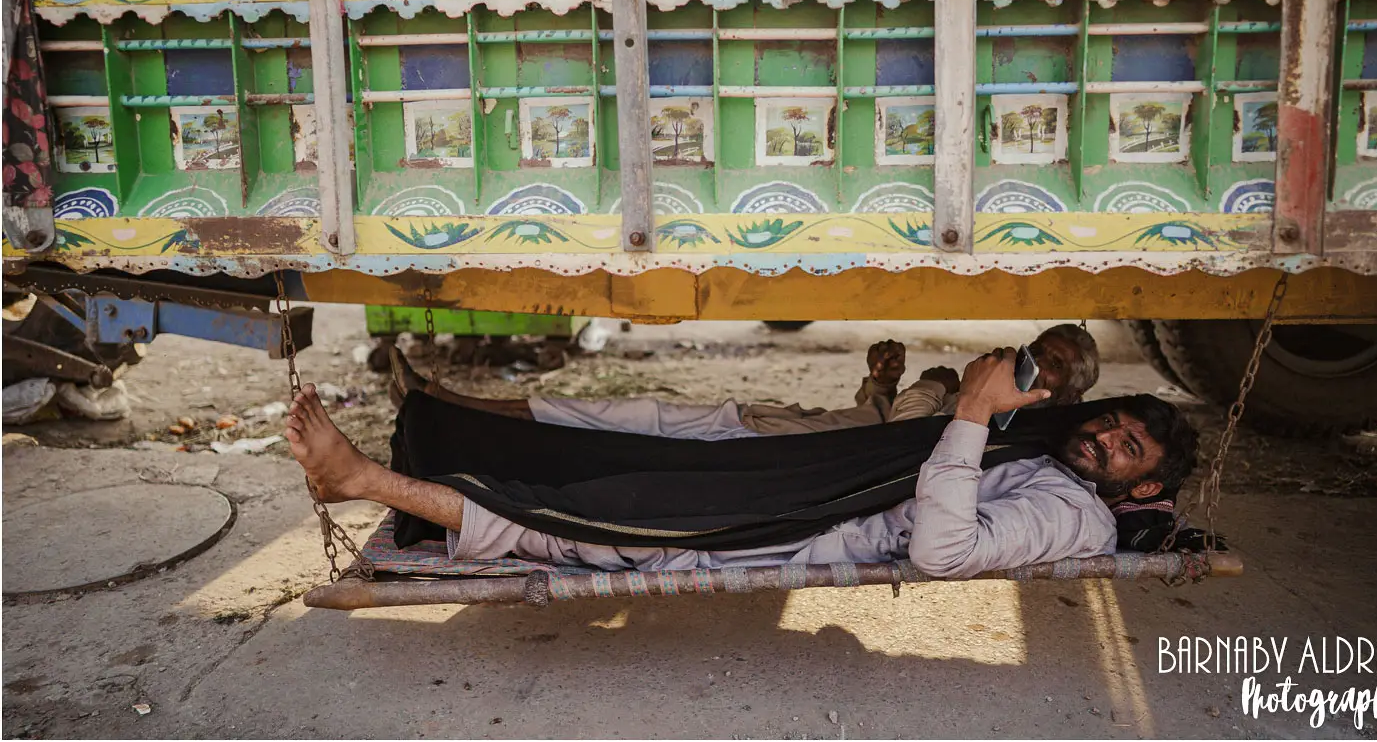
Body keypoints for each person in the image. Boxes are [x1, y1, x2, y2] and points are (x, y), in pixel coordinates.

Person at [286, 347, 1199, 579]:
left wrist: (967, 413)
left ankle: (362, 479)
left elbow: (943, 552)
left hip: (800, 531)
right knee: (620, 445)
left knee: (608, 525)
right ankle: (442, 423)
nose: (1102, 441)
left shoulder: (1074, 514)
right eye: (1110, 424)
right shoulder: (1048, 449)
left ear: (1143, 484)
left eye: (1126, 449)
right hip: (802, 480)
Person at [386, 324, 1101, 438]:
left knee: (612, 417)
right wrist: (880, 382)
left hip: (764, 444)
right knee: (610, 413)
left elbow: (904, 440)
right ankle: (450, 405)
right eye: (1037, 347)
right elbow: (877, 426)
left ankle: (449, 407)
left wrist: (946, 385)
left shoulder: (1001, 423)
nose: (1034, 358)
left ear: (1067, 393)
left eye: (1053, 361)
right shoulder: (989, 410)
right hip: (776, 427)